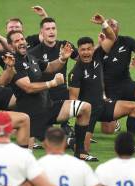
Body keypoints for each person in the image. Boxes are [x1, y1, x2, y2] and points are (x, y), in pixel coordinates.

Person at [7, 30, 92, 160]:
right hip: (30, 118)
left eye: (22, 39)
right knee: (25, 160)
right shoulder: (15, 64)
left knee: (85, 108)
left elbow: (50, 67)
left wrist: (62, 58)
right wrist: (52, 83)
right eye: (16, 41)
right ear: (11, 45)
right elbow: (28, 87)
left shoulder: (31, 58)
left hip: (48, 108)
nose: (21, 42)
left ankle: (79, 150)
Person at [68, 32, 135, 155]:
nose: (86, 52)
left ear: (93, 49)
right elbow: (73, 101)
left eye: (89, 49)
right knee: (83, 150)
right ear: (79, 51)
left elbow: (112, 37)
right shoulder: (75, 73)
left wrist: (103, 23)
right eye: (83, 50)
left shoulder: (97, 57)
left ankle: (130, 143)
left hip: (103, 106)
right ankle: (71, 141)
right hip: (88, 113)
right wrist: (82, 123)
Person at [101, 18, 135, 134]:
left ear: (118, 28)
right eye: (108, 26)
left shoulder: (127, 41)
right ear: (104, 30)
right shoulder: (100, 48)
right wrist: (103, 95)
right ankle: (117, 120)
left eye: (113, 25)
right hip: (110, 91)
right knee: (107, 131)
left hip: (127, 86)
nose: (111, 28)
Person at [28, 18, 78, 101]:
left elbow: (84, 59)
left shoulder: (65, 46)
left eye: (53, 28)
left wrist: (74, 74)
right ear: (41, 32)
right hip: (43, 97)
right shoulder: (33, 53)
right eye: (47, 29)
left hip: (63, 94)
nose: (51, 31)